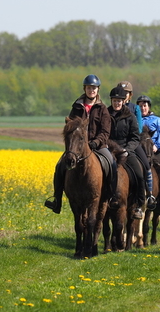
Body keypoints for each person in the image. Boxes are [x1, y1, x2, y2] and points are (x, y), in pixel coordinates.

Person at [44, 74, 116, 214]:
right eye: (89, 88)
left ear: (98, 90)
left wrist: (96, 142)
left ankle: (111, 197)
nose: (91, 91)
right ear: (85, 89)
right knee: (60, 166)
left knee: (111, 163)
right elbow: (69, 127)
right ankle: (56, 200)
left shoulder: (102, 109)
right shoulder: (77, 106)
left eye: (94, 88)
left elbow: (105, 131)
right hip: (77, 148)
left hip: (97, 146)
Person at [108, 86, 146, 219]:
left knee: (139, 175)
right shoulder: (106, 115)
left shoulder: (130, 116)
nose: (117, 103)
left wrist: (127, 150)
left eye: (119, 101)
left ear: (124, 101)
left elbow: (135, 137)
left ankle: (138, 205)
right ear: (111, 101)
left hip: (126, 150)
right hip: (109, 150)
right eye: (114, 100)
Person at [116, 81, 156, 210]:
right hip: (116, 143)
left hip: (133, 142)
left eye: (126, 93)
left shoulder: (135, 108)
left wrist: (129, 143)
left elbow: (138, 128)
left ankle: (148, 195)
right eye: (121, 92)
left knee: (146, 165)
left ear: (130, 94)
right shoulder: (113, 107)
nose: (124, 95)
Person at [136, 94, 160, 165]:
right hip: (139, 149)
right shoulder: (135, 120)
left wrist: (157, 146)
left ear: (149, 107)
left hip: (154, 149)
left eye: (144, 106)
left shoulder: (157, 120)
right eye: (140, 106)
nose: (143, 108)